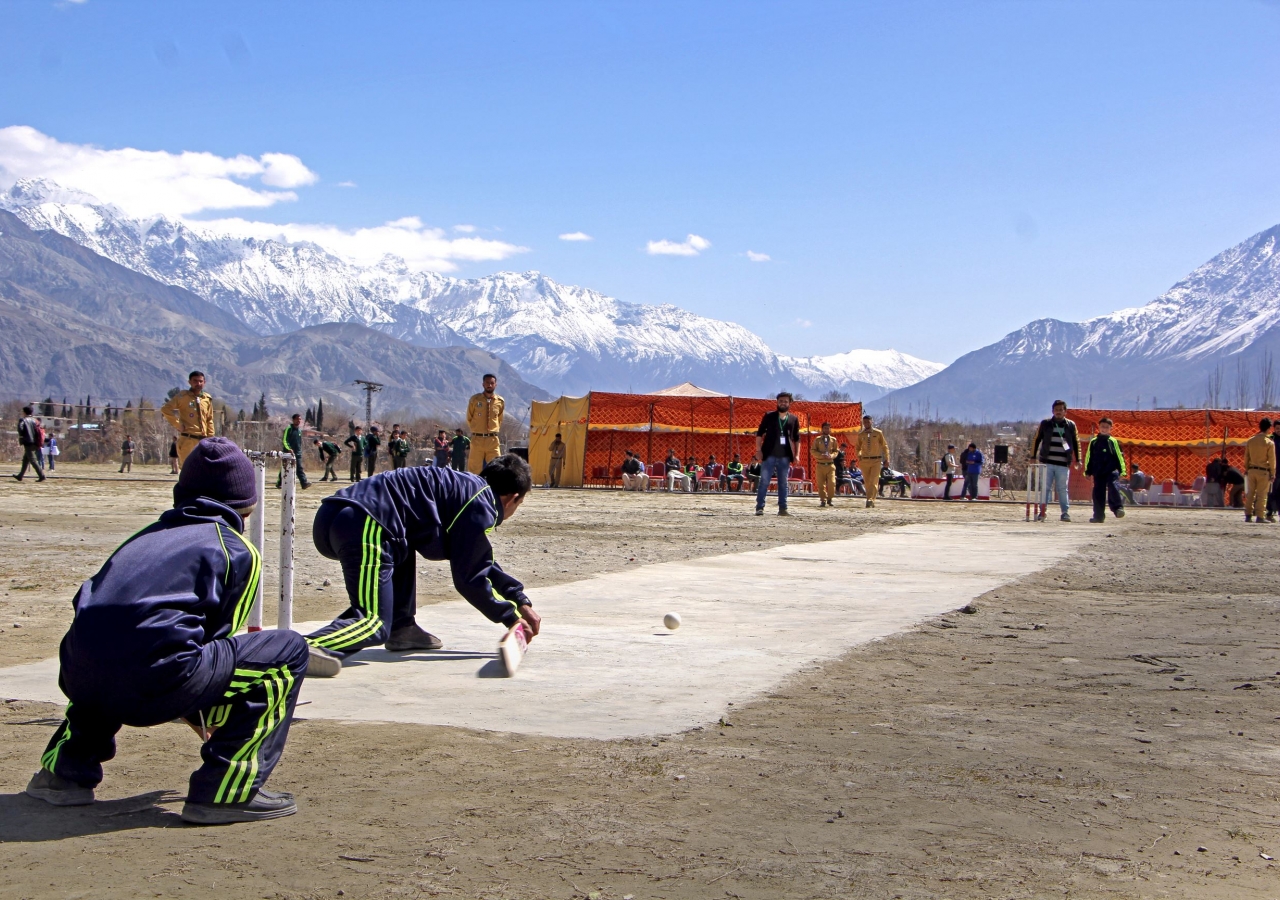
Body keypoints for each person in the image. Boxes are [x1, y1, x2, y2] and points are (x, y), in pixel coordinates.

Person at [24, 438, 309, 824]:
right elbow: (214, 645)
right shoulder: (235, 549)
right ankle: (225, 792)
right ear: (247, 504)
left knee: (109, 649)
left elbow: (89, 604)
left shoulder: (142, 538)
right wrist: (201, 718)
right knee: (287, 651)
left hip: (78, 675)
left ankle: (63, 775)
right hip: (158, 683)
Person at [304, 454, 540, 668]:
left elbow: (476, 557)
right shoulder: (481, 504)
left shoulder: (463, 489)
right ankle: (301, 649)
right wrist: (510, 618)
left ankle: (402, 628)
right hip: (365, 523)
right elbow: (470, 577)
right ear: (513, 498)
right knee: (373, 622)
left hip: (339, 516)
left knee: (403, 545)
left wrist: (518, 598)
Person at [1030, 400, 1080, 522]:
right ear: (1052, 411)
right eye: (1056, 410)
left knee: (1062, 488)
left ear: (1065, 412)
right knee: (1045, 488)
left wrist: (1078, 459)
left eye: (1061, 410)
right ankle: (1042, 512)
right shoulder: (1046, 424)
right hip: (1047, 463)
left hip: (1063, 463)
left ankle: (1065, 512)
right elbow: (1036, 439)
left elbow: (1076, 442)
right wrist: (1032, 456)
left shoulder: (1071, 425)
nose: (1058, 412)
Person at [754, 392, 800, 516]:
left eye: (785, 401)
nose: (783, 403)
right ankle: (759, 507)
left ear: (790, 403)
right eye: (780, 401)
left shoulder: (793, 419)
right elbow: (759, 434)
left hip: (785, 456)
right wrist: (758, 450)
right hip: (768, 455)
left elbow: (797, 439)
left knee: (783, 483)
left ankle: (783, 509)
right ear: (777, 402)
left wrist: (797, 455)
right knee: (764, 481)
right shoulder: (769, 416)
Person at [160, 371, 215, 468]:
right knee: (188, 471)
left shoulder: (207, 398)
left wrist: (211, 438)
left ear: (204, 382)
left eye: (200, 381)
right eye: (195, 381)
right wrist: (178, 425)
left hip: (204, 441)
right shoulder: (183, 397)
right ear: (189, 382)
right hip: (188, 439)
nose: (198, 384)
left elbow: (209, 419)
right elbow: (166, 409)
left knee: (205, 471)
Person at [1084, 418, 1127, 522]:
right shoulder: (1094, 442)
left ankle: (1118, 509)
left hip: (1111, 470)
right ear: (1099, 427)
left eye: (1107, 427)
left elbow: (1119, 457)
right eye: (1102, 426)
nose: (1104, 429)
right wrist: (1087, 471)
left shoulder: (1113, 441)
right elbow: (1089, 456)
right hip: (1098, 471)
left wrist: (1122, 471)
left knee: (1113, 486)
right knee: (1098, 493)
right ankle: (1098, 516)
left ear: (1110, 429)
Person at [465, 374, 505, 474]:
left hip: (492, 440)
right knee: (474, 469)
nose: (489, 385)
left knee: (497, 468)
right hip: (477, 439)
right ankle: (475, 489)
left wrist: (492, 431)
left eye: (492, 383)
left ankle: (495, 489)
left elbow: (499, 419)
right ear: (483, 384)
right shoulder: (475, 400)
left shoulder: (499, 401)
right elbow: (469, 418)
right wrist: (477, 430)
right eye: (487, 383)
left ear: (496, 385)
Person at [1243, 417, 1276, 524]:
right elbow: (1272, 460)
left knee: (1250, 493)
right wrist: (1273, 473)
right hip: (1263, 471)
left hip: (1252, 470)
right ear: (1269, 428)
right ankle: (1260, 516)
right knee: (1262, 495)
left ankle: (1248, 515)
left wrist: (1247, 468)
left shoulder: (1251, 440)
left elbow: (1246, 457)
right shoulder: (1269, 443)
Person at [855, 414, 890, 508]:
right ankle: (868, 498)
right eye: (864, 422)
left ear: (872, 422)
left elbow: (884, 446)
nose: (866, 424)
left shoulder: (878, 433)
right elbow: (857, 447)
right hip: (865, 461)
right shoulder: (861, 435)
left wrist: (887, 458)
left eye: (868, 422)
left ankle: (871, 500)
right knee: (867, 481)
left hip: (876, 460)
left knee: (874, 480)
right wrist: (859, 455)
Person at [276, 413, 311, 490]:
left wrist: (299, 450)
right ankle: (279, 483)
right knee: (285, 467)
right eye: (298, 419)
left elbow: (299, 442)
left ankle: (304, 483)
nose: (299, 421)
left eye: (300, 419)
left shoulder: (299, 430)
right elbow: (285, 440)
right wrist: (288, 448)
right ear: (294, 420)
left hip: (297, 453)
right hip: (288, 452)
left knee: (299, 468)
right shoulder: (289, 428)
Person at [13, 406, 45, 482]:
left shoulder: (23, 420)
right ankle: (20, 476)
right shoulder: (36, 421)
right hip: (36, 442)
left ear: (24, 412)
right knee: (25, 459)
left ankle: (42, 475)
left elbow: (20, 428)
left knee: (33, 460)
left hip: (28, 442)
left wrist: (22, 436)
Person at [811, 422, 839, 507]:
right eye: (825, 428)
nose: (827, 430)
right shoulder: (817, 439)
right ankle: (823, 499)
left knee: (832, 483)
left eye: (828, 428)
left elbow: (836, 451)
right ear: (822, 429)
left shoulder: (833, 440)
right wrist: (820, 455)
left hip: (830, 465)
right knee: (821, 484)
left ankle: (830, 498)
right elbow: (813, 450)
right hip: (820, 464)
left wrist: (832, 456)